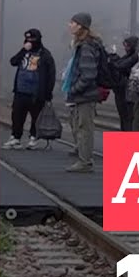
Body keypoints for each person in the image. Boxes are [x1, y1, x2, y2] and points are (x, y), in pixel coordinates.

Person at [61, 13, 106, 172]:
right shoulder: (85, 45)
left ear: (80, 26)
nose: (69, 25)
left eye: (72, 22)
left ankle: (85, 162)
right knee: (81, 127)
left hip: (85, 95)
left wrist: (74, 89)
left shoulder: (86, 47)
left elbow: (88, 74)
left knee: (84, 128)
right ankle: (83, 159)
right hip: (84, 94)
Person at [4, 28, 56, 150]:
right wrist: (23, 50)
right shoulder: (24, 52)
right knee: (17, 115)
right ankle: (15, 137)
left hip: (36, 92)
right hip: (20, 91)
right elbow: (13, 61)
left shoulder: (45, 55)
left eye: (32, 39)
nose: (29, 41)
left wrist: (48, 92)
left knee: (35, 116)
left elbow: (51, 75)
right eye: (27, 38)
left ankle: (33, 137)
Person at [110, 36, 139, 131]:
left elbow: (121, 66)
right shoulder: (127, 57)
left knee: (128, 119)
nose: (125, 49)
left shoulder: (135, 58)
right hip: (121, 91)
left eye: (127, 46)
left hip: (128, 93)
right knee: (124, 118)